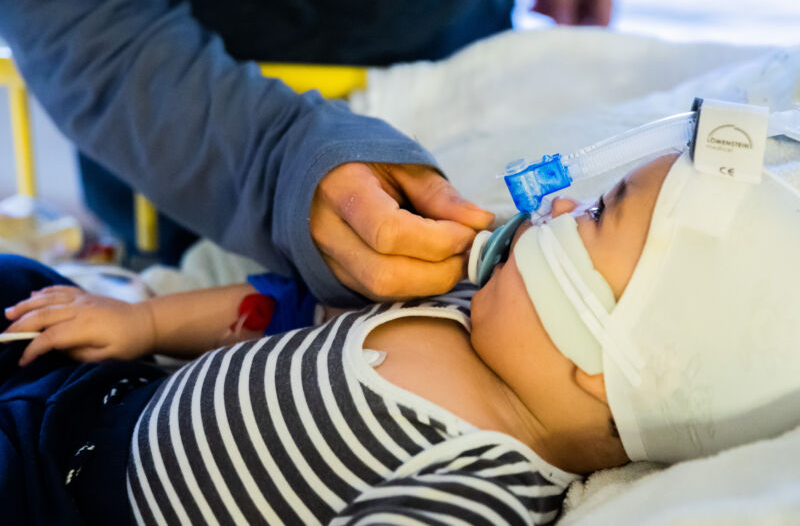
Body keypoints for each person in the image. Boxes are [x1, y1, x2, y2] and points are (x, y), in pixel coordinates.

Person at [6, 148, 799, 524]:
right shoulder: (466, 301)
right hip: (111, 389)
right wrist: (140, 320)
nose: (557, 206)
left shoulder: (479, 483)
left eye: (596, 214)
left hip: (70, 505)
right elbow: (276, 308)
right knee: (19, 280)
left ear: (612, 364)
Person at [0, 0, 613, 305]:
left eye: (610, 212)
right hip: (185, 130)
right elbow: (84, 27)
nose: (562, 211)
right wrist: (274, 165)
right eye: (604, 208)